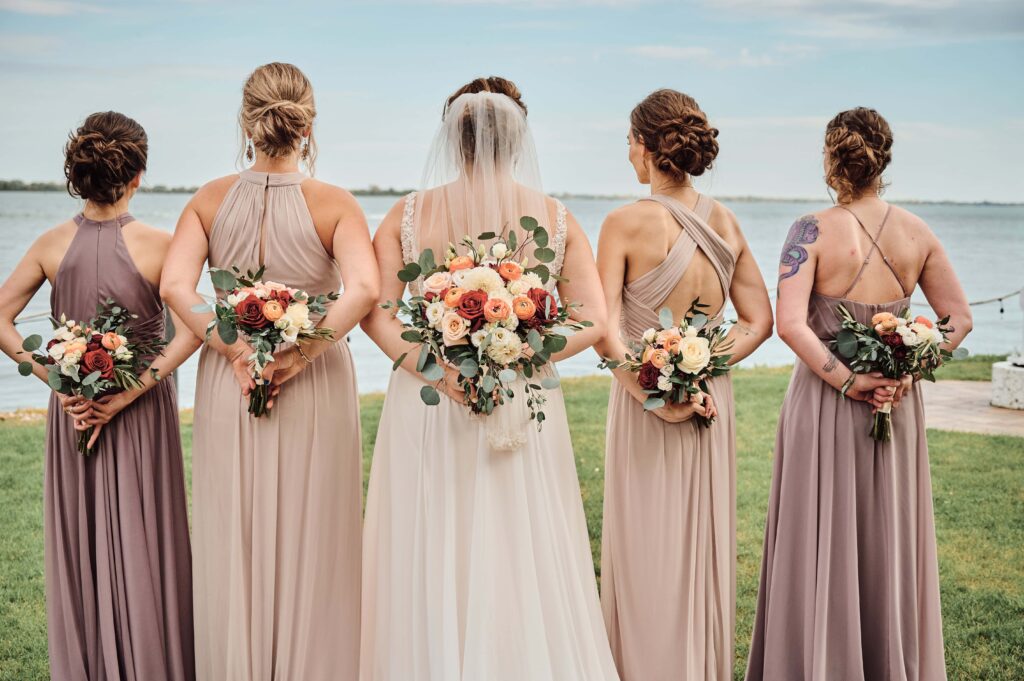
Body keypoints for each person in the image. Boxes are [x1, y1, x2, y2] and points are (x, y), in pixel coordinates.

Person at [359, 76, 619, 681]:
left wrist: (438, 369)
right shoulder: (555, 218)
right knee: (519, 540)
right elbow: (594, 318)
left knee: (433, 538)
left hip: (429, 400)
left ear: (455, 138)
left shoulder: (407, 214)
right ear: (518, 137)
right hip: (521, 399)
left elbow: (374, 309)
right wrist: (520, 354)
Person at [160, 62, 379, 681]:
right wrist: (300, 352)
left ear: (246, 121)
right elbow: (362, 290)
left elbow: (177, 286)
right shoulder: (334, 203)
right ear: (308, 124)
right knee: (315, 531)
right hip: (310, 379)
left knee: (236, 528)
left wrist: (231, 347)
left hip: (230, 378)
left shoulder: (208, 199)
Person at [745, 107, 972, 681]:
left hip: (825, 405)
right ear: (884, 160)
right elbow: (959, 320)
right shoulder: (917, 232)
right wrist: (905, 375)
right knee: (886, 536)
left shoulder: (809, 231)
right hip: (894, 407)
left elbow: (792, 325)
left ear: (830, 161)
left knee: (816, 535)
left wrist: (848, 380)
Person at [0, 111, 197, 681]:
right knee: (146, 540)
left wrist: (58, 380)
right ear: (138, 175)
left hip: (75, 416)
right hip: (138, 416)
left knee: (81, 541)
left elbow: (4, 319)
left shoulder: (49, 243)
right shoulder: (163, 246)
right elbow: (192, 332)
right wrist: (134, 389)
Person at [595, 88, 773, 681]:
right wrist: (701, 364)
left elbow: (602, 328)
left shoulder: (623, 222)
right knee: (698, 542)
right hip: (708, 398)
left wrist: (652, 384)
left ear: (646, 148)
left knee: (645, 543)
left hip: (643, 401)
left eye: (628, 141)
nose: (626, 153)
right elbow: (759, 322)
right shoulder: (725, 220)